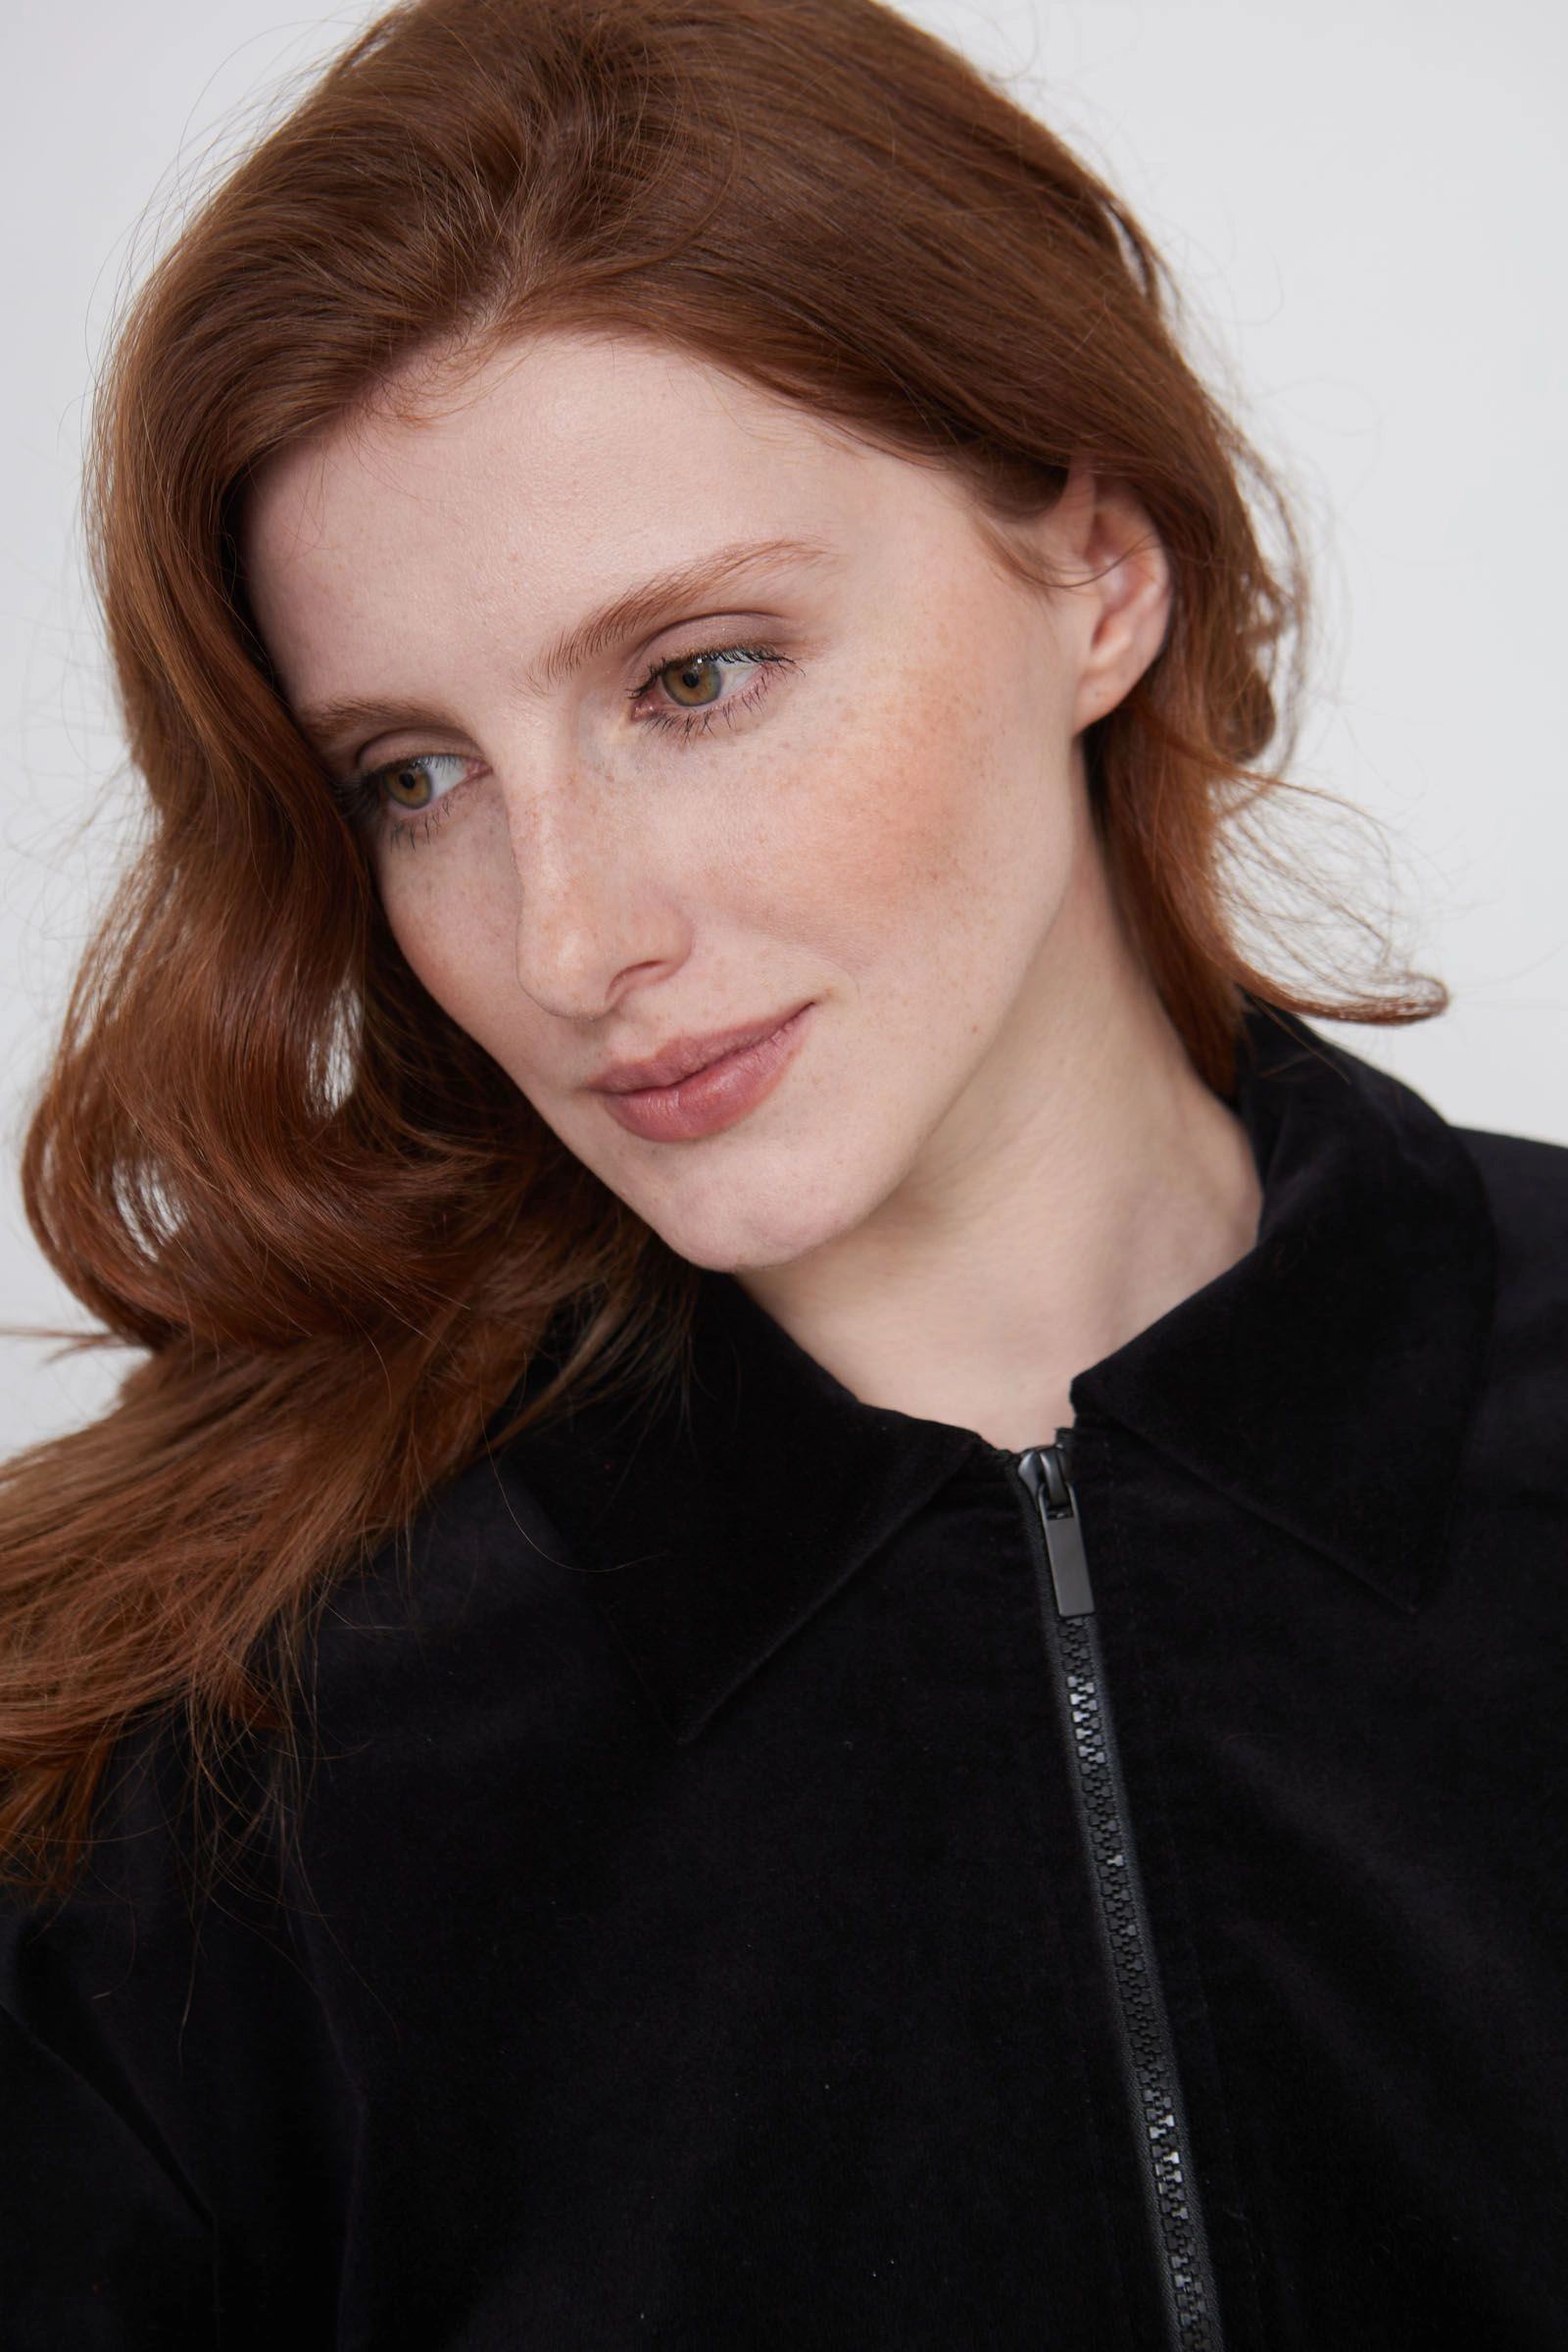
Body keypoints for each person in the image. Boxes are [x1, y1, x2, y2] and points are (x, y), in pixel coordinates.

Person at [0, 0, 1563, 2343]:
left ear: (1097, 571)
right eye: (415, 774)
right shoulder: (181, 1781)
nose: (565, 943)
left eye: (695, 676)